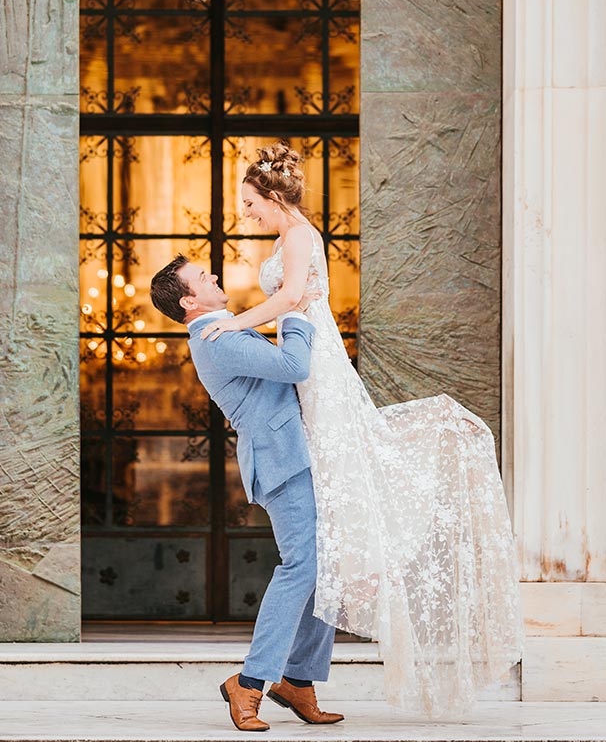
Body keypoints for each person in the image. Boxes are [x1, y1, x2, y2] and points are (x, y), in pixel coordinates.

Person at [199, 141, 524, 718]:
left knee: (328, 538)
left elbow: (293, 297)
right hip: (299, 369)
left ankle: (277, 680)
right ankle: (290, 679)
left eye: (250, 202)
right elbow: (287, 312)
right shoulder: (281, 241)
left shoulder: (300, 237)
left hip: (315, 362)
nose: (245, 213)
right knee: (325, 545)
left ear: (274, 197)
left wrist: (235, 325)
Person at [150, 257, 344, 732]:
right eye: (202, 277)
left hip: (302, 455)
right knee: (303, 566)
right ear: (189, 301)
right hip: (283, 460)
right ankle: (250, 682)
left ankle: (297, 680)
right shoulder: (215, 339)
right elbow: (294, 364)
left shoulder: (229, 330)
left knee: (326, 567)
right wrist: (294, 309)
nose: (214, 276)